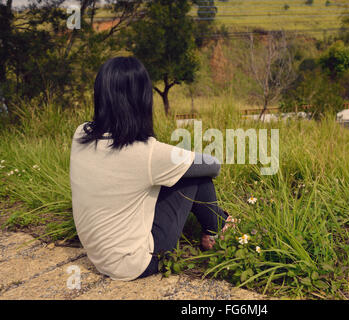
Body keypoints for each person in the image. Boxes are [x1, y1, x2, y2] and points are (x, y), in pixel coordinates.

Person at [70, 56, 230, 281]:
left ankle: (217, 228)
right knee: (195, 176)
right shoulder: (145, 152)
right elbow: (213, 166)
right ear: (142, 100)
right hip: (135, 264)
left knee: (179, 171)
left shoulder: (81, 134)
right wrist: (179, 158)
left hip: (98, 256)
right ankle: (217, 231)